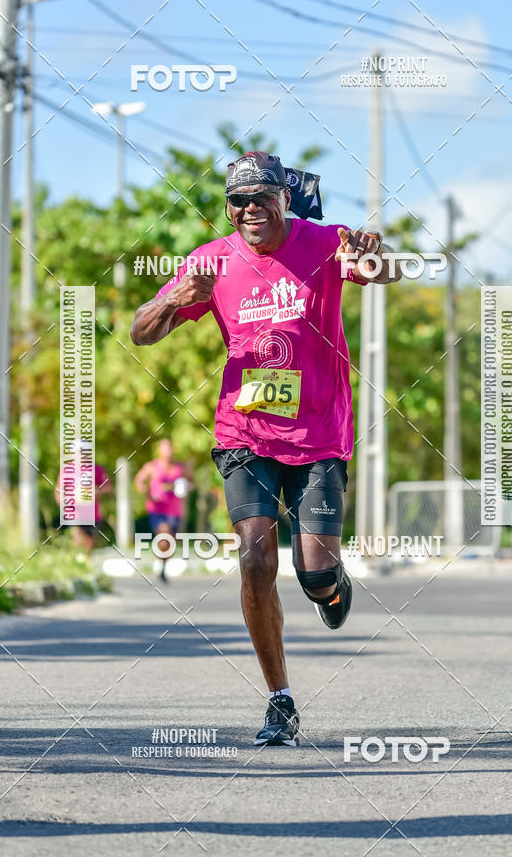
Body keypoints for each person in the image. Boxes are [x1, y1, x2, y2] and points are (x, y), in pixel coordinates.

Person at [130, 151, 401, 747]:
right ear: (228, 207)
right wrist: (178, 299)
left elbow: (387, 274)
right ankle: (280, 700)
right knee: (255, 559)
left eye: (261, 197)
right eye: (238, 201)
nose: (249, 209)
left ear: (284, 197)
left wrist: (375, 255)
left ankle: (331, 584)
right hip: (245, 432)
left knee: (313, 573)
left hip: (319, 433)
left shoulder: (325, 242)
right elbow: (140, 332)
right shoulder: (211, 261)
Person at [134, 439, 193, 582]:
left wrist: (185, 487)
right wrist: (147, 493)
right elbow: (139, 480)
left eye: (170, 448)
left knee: (170, 543)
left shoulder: (180, 467)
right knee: (164, 534)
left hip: (175, 511)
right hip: (157, 509)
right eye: (165, 448)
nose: (168, 451)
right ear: (160, 450)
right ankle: (162, 565)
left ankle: (162, 568)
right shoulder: (152, 466)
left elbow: (191, 483)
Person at [55, 439, 113, 555]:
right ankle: (78, 560)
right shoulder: (66, 470)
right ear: (72, 453)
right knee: (77, 538)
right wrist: (62, 501)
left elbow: (109, 488)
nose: (81, 455)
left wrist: (97, 491)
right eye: (77, 452)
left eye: (83, 451)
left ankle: (85, 563)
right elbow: (58, 490)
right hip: (74, 512)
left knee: (89, 543)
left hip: (92, 514)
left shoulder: (97, 470)